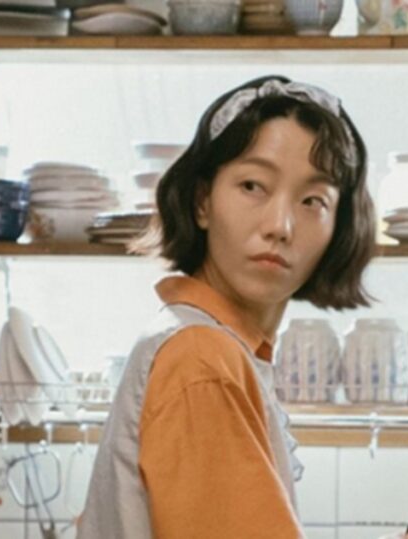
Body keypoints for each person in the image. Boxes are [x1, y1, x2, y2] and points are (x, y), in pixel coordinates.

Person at [78, 75, 375, 539]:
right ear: (202, 201)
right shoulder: (202, 359)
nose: (280, 225)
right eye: (253, 186)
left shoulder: (205, 341)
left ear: (340, 228)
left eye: (312, 200)